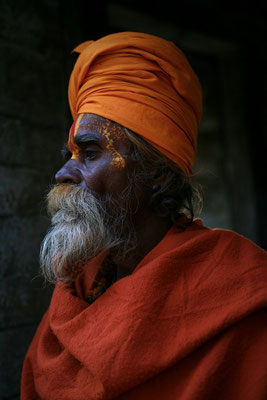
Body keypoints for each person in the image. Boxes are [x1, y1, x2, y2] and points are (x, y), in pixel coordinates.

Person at [21, 32, 267, 400]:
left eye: (89, 152)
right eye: (69, 155)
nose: (63, 174)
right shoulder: (77, 284)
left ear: (158, 174)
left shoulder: (241, 290)